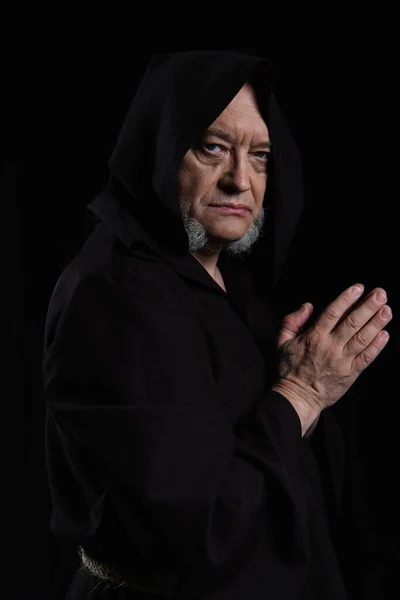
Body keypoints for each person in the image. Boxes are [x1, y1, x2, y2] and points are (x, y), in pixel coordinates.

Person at [43, 51, 392, 599]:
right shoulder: (117, 298)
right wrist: (301, 392)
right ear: (162, 147)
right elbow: (195, 530)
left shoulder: (226, 284)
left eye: (260, 156)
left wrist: (282, 384)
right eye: (213, 147)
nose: (240, 180)